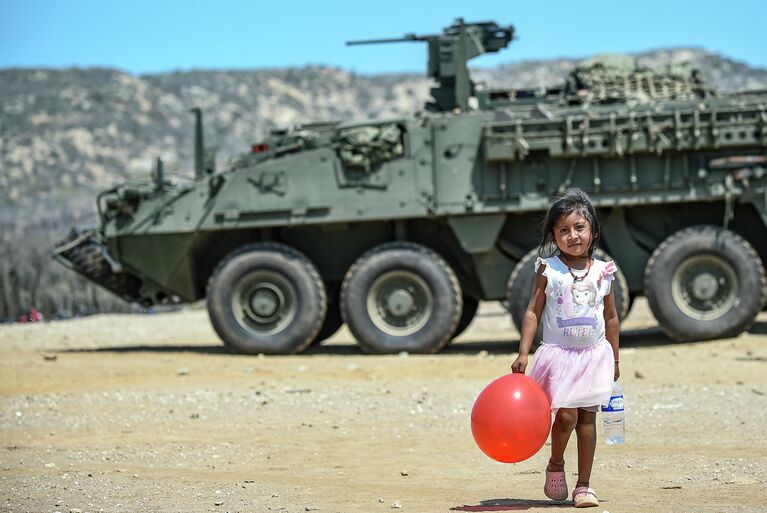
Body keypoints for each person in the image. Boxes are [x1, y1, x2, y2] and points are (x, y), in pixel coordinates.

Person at [510, 188, 620, 508]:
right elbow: (533, 310)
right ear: (554, 235)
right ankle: (556, 463)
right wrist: (523, 352)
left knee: (588, 419)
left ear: (593, 231)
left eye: (579, 228)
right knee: (567, 416)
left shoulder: (604, 271)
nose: (572, 235)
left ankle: (584, 485)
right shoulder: (548, 268)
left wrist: (614, 357)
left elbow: (611, 318)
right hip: (559, 355)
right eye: (563, 230)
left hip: (593, 355)